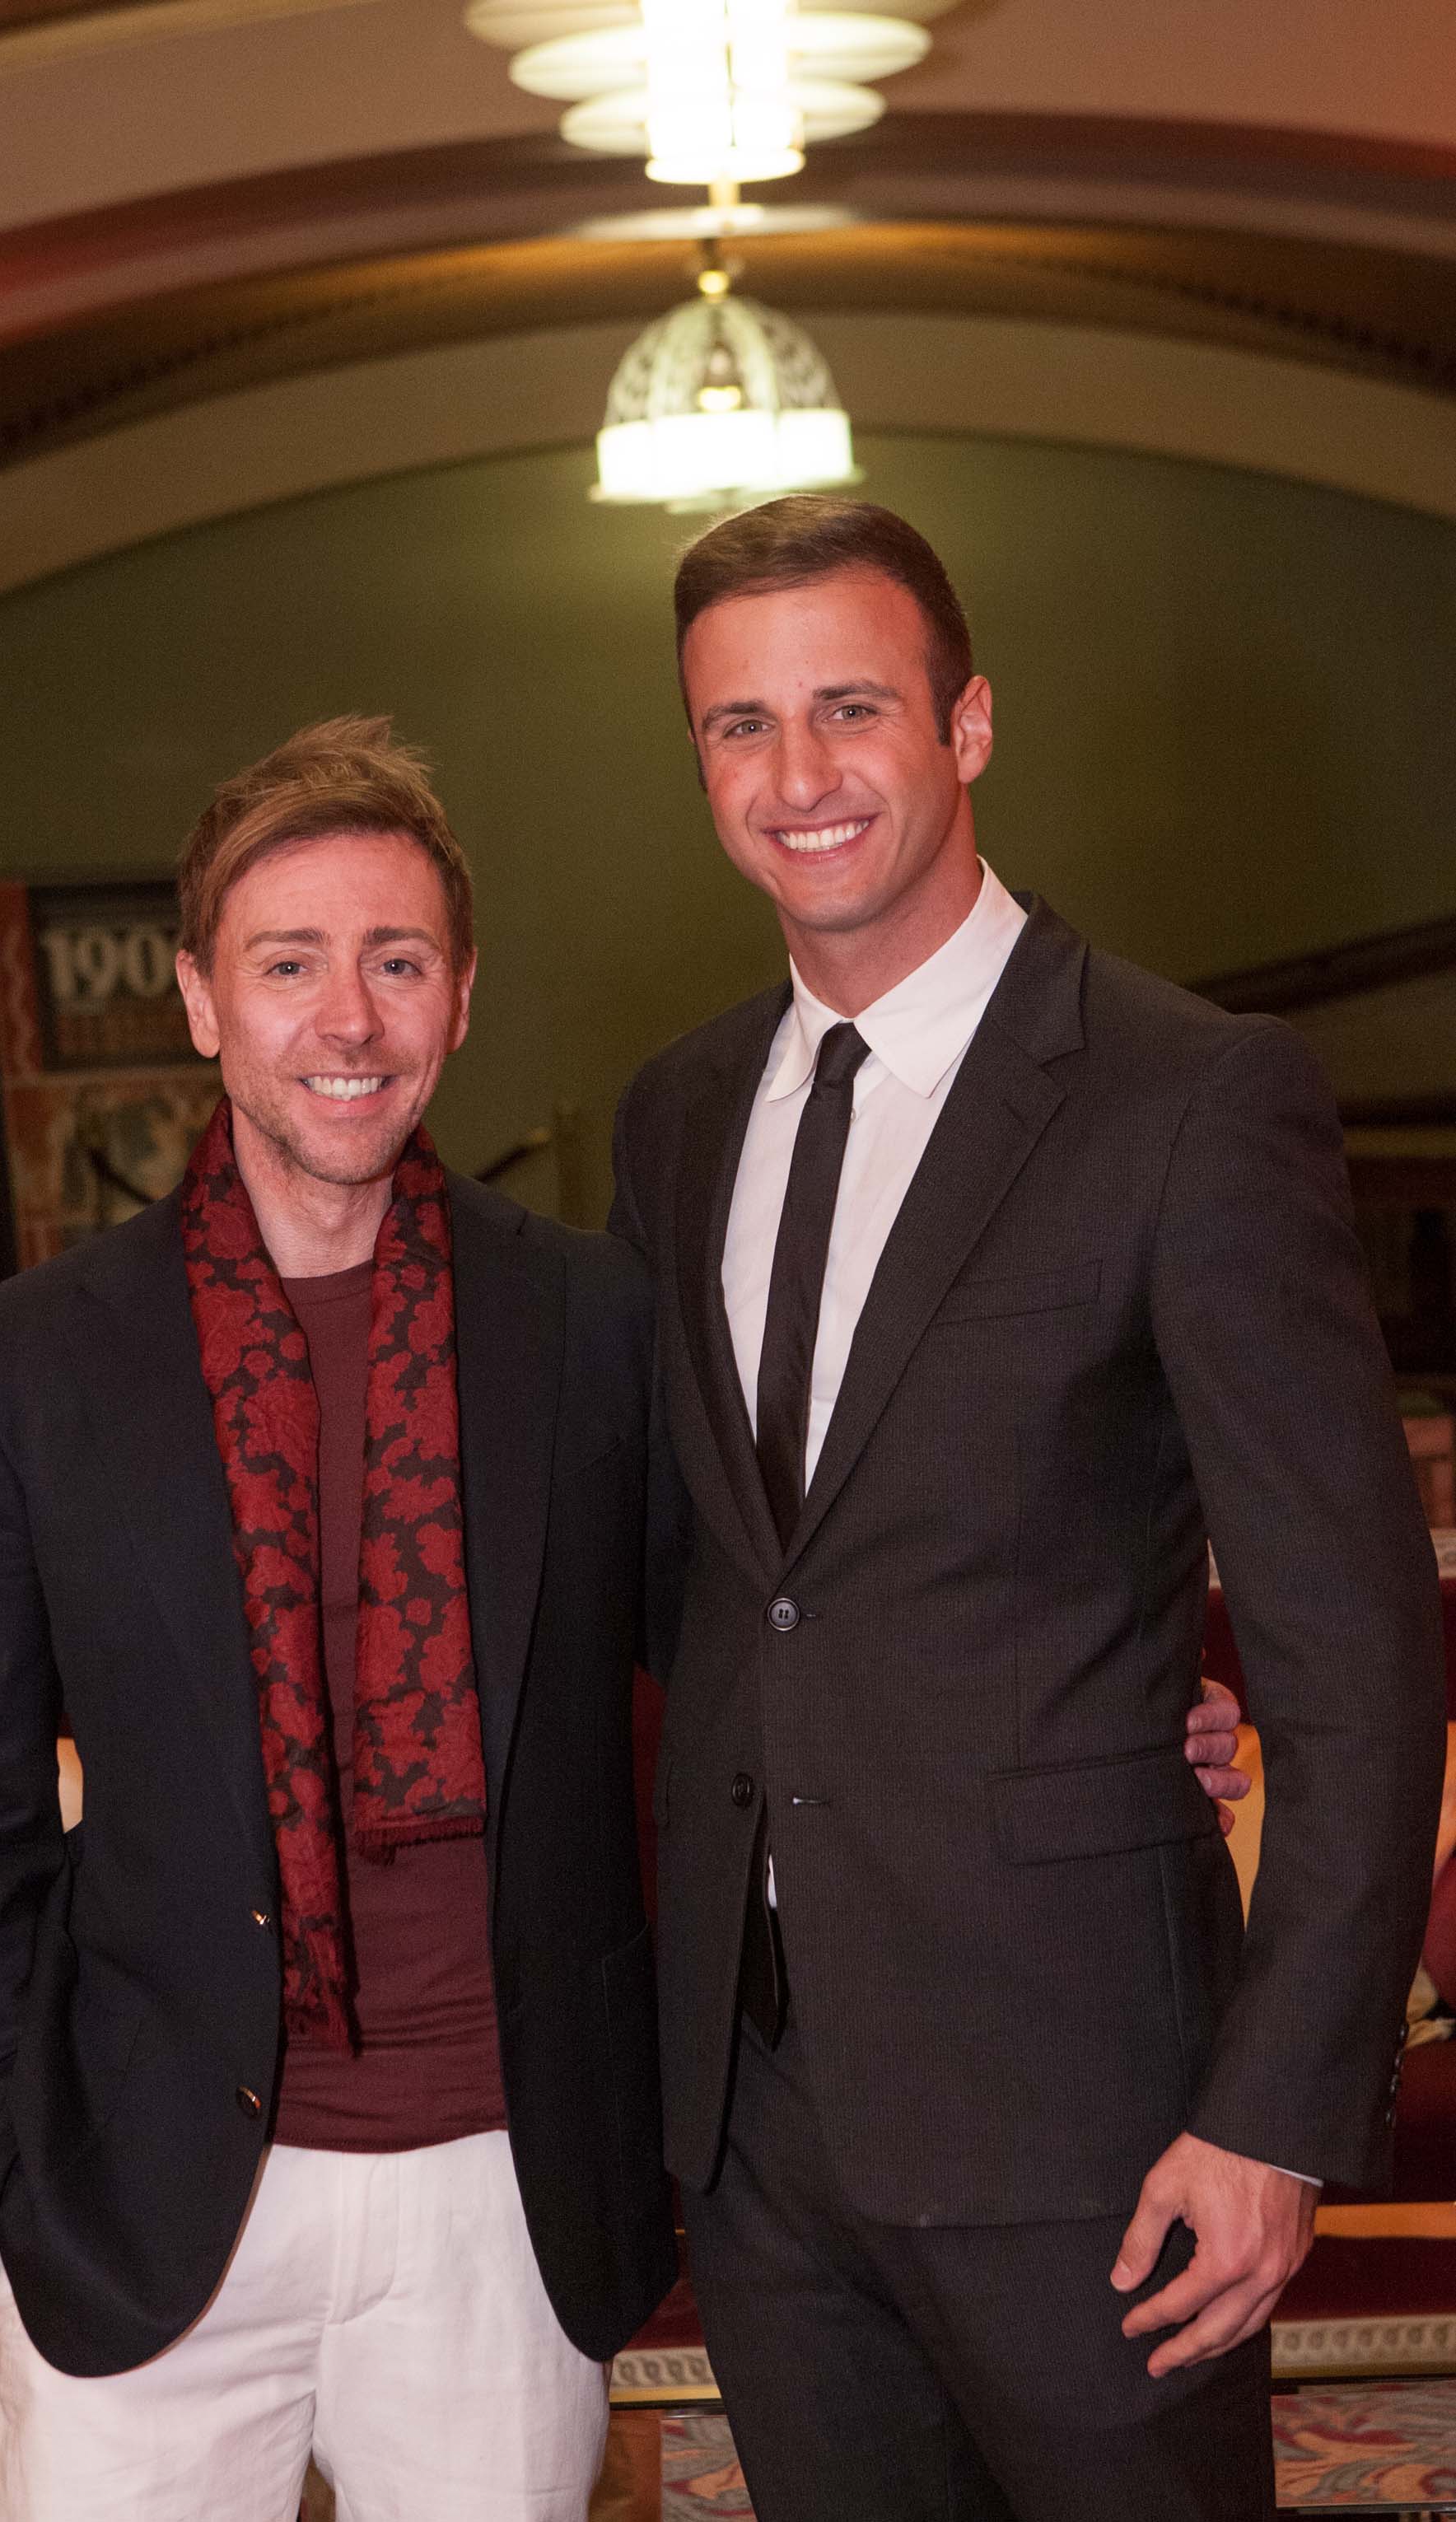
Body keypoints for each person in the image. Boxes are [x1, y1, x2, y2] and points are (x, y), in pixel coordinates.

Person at [611, 496, 1447, 2522]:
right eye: (739, 724)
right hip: (762, 2119)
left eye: (849, 707)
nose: (796, 775)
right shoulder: (679, 1113)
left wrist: (1275, 2113)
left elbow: (1354, 1653)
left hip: (1092, 2114)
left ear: (967, 723)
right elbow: (718, 1588)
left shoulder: (1187, 1095)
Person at [0, 717, 675, 2521]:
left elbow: (741, 1677)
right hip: (146, 2191)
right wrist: (5, 2189)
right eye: (288, 963)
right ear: (200, 998)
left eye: (395, 961)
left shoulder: (592, 1325)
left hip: (501, 2195)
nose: (348, 1020)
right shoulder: (19, 1365)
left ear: (460, 997)